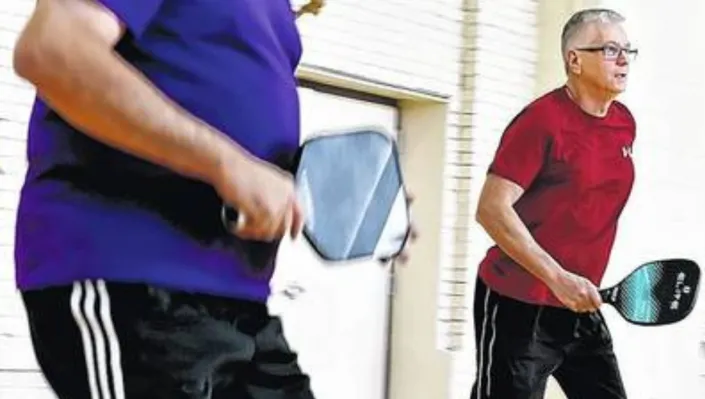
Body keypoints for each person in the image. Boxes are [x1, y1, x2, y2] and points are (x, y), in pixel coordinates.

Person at [9, 1, 401, 397]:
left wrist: (352, 203)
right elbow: (53, 51)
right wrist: (225, 164)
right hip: (132, 278)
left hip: (239, 302)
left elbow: (247, 144)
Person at [469, 7, 637, 399]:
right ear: (574, 60)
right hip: (518, 305)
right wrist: (557, 278)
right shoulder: (541, 121)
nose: (624, 59)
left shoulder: (624, 123)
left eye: (628, 50)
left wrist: (572, 287)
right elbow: (491, 209)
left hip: (582, 305)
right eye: (611, 49)